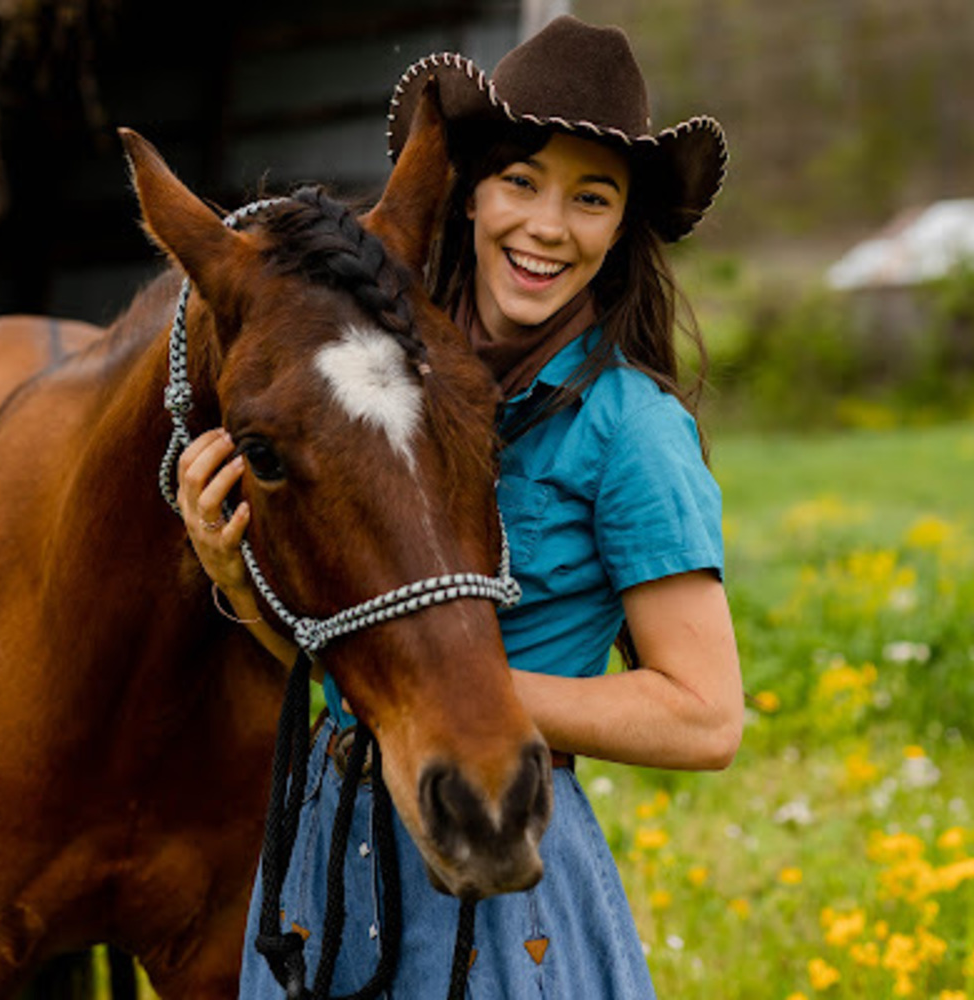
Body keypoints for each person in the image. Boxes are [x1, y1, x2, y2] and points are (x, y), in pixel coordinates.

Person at [177, 15, 742, 999]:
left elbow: (704, 718)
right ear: (470, 194)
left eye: (591, 197)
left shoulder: (629, 428)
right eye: (520, 180)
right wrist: (235, 573)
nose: (547, 226)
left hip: (495, 866)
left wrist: (456, 696)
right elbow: (355, 662)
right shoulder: (394, 392)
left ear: (621, 226)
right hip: (326, 852)